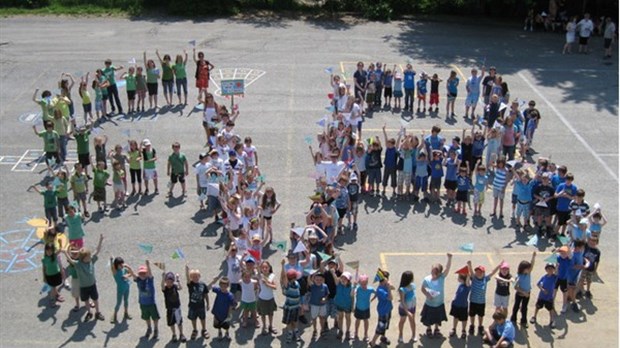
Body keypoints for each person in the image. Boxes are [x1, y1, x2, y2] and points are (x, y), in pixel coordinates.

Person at [62, 234, 105, 322]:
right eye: (88, 257)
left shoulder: (91, 261)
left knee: (95, 299)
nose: (90, 258)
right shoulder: (78, 264)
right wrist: (66, 252)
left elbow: (97, 251)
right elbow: (70, 260)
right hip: (84, 287)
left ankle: (97, 312)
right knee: (86, 300)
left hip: (92, 284)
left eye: (89, 256)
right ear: (82, 258)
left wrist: (100, 240)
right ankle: (89, 312)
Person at [420, 253, 452, 338]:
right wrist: (427, 295)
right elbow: (422, 289)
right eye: (433, 271)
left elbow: (447, 268)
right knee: (428, 319)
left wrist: (449, 258)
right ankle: (429, 329)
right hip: (429, 303)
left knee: (438, 318)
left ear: (439, 273)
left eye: (436, 272)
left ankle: (436, 329)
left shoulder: (441, 278)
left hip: (439, 303)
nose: (433, 273)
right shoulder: (426, 279)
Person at [467, 260, 501, 336]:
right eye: (477, 272)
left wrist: (498, 266)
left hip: (481, 302)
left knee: (481, 315)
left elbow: (492, 272)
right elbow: (471, 271)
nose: (478, 273)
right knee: (472, 315)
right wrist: (469, 264)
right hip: (473, 301)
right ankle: (472, 326)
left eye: (480, 272)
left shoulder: (485, 279)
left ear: (484, 273)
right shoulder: (474, 278)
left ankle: (480, 326)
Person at [133, 260, 160, 339]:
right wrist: (129, 268)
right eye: (141, 273)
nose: (142, 275)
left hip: (151, 303)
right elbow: (133, 275)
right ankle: (149, 328)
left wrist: (148, 265)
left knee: (155, 317)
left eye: (144, 273)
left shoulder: (150, 280)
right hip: (143, 304)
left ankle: (156, 329)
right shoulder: (138, 281)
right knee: (146, 317)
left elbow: (150, 274)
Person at [184, 264, 211, 340]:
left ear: (199, 276)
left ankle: (204, 329)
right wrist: (187, 270)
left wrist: (208, 304)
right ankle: (195, 330)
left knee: (203, 318)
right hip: (192, 306)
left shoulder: (203, 284)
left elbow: (206, 295)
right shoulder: (190, 284)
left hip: (201, 305)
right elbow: (187, 278)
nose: (195, 278)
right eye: (193, 277)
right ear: (191, 278)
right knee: (193, 319)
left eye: (196, 276)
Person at [369, 269, 393, 348]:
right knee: (380, 327)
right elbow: (390, 298)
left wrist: (388, 286)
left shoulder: (384, 286)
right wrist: (389, 287)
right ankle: (372, 342)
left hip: (388, 309)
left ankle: (383, 337)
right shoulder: (380, 290)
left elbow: (394, 288)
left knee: (385, 326)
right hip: (383, 311)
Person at [511, 252, 535, 327]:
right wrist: (523, 292)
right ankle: (513, 318)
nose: (529, 270)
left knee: (524, 308)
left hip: (527, 293)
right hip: (520, 294)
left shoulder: (528, 273)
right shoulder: (518, 276)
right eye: (527, 269)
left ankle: (524, 321)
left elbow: (532, 265)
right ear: (523, 269)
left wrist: (533, 257)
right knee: (516, 306)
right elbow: (515, 287)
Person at [530, 263, 558, 328]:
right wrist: (543, 290)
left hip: (549, 297)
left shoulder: (554, 277)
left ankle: (552, 321)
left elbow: (557, 273)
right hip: (542, 296)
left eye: (551, 269)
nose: (550, 270)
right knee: (537, 307)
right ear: (546, 270)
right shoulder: (544, 277)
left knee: (550, 309)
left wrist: (557, 267)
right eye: (548, 269)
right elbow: (538, 284)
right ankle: (534, 317)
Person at [162, 270, 186, 343]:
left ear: (173, 281)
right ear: (166, 281)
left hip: (177, 308)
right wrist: (163, 278)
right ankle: (174, 334)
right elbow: (162, 286)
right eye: (167, 282)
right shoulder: (165, 288)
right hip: (169, 309)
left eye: (171, 282)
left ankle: (181, 334)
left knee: (179, 322)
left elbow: (181, 288)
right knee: (171, 323)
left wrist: (178, 280)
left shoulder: (175, 286)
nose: (169, 283)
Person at [257, 260, 278, 336]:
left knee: (270, 314)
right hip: (262, 298)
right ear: (261, 268)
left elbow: (275, 287)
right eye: (263, 267)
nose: (265, 269)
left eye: (266, 267)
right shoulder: (260, 276)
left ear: (269, 268)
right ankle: (264, 326)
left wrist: (267, 284)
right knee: (263, 314)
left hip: (270, 298)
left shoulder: (271, 276)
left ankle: (271, 326)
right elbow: (257, 269)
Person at [110, 256, 132, 324]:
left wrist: (127, 275)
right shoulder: (115, 272)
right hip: (120, 290)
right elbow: (112, 267)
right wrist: (111, 260)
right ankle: (114, 315)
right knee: (118, 303)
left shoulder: (123, 269)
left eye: (122, 264)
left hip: (127, 287)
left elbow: (131, 273)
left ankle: (126, 313)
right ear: (116, 265)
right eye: (120, 265)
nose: (122, 266)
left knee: (126, 301)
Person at [397, 271, 417, 343]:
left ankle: (414, 335)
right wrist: (407, 312)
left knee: (412, 321)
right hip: (404, 308)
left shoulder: (413, 285)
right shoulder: (402, 289)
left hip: (412, 306)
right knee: (402, 321)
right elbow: (402, 301)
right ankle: (400, 335)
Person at [449, 272, 471, 339]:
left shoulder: (467, 286)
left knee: (464, 319)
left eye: (458, 277)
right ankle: (454, 329)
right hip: (456, 304)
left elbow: (468, 280)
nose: (457, 278)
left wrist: (468, 273)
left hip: (463, 306)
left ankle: (463, 331)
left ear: (462, 279)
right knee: (455, 317)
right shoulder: (460, 285)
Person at [353, 273, 375, 342]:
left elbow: (377, 293)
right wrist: (354, 286)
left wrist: (372, 299)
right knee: (357, 320)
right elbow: (352, 293)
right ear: (359, 282)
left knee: (366, 321)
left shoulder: (370, 289)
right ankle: (356, 333)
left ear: (367, 282)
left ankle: (366, 335)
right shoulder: (358, 288)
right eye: (362, 283)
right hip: (358, 308)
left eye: (365, 283)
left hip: (366, 308)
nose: (363, 285)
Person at [41, 243, 64, 308]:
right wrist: (44, 277)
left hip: (56, 274)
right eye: (47, 251)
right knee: (52, 288)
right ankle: (52, 300)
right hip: (49, 276)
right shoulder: (44, 259)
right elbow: (44, 269)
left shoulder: (54, 255)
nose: (49, 252)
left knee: (54, 286)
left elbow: (59, 250)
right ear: (45, 250)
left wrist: (60, 243)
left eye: (51, 251)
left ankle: (57, 295)